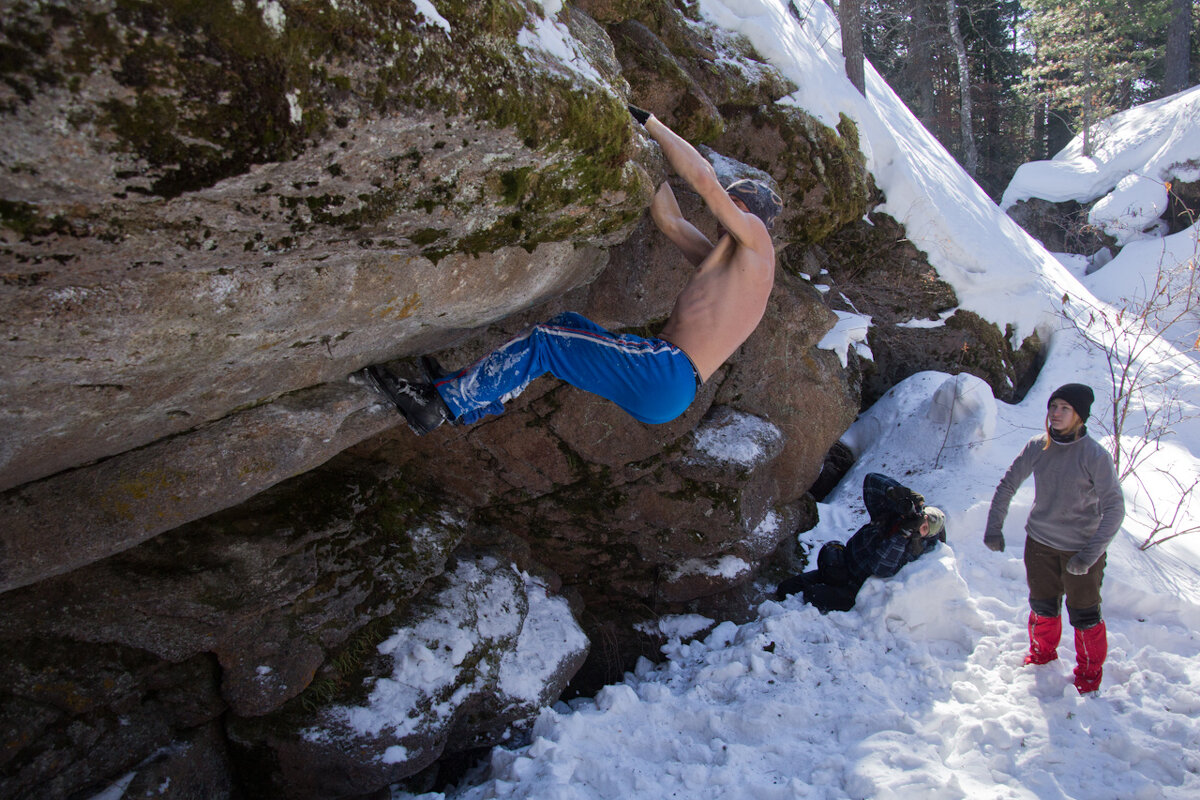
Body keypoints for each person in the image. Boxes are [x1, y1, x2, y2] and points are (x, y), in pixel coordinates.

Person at [359, 105, 782, 434]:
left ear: (745, 209)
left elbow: (705, 182)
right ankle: (467, 396)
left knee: (544, 343)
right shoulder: (730, 266)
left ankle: (440, 405)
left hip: (666, 369)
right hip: (672, 391)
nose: (725, 210)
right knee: (566, 325)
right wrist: (646, 158)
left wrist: (649, 123)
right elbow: (671, 221)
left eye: (734, 203)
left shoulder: (759, 243)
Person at [984, 383, 1125, 695]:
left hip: (1081, 550)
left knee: (1085, 614)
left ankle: (1088, 676)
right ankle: (1042, 656)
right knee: (1043, 605)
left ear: (1080, 417)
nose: (1056, 413)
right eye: (1053, 406)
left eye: (1065, 408)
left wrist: (1089, 555)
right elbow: (1008, 484)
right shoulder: (1038, 446)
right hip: (1040, 544)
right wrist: (994, 526)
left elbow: (1115, 509)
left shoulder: (1095, 456)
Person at [775, 473, 947, 613]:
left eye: (924, 528)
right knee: (785, 588)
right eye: (920, 520)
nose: (918, 527)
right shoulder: (891, 516)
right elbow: (871, 481)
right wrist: (903, 494)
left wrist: (903, 535)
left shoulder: (913, 549)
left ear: (927, 536)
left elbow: (880, 567)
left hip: (854, 588)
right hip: (843, 564)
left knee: (812, 595)